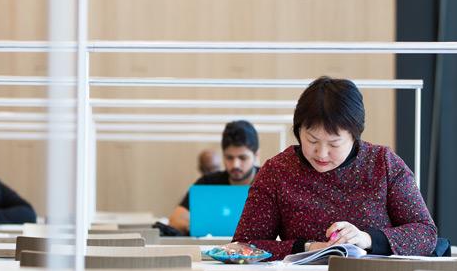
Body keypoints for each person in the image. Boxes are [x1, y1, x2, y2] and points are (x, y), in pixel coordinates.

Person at [231, 76, 437, 260]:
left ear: (355, 137)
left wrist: (366, 239)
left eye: (334, 144)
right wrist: (307, 247)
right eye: (311, 140)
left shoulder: (383, 164)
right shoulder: (278, 171)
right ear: (298, 130)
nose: (321, 153)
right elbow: (244, 245)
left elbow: (425, 234)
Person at [166, 120, 261, 235]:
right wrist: (202, 227)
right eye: (229, 157)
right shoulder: (207, 183)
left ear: (256, 156)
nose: (235, 164)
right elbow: (175, 219)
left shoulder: (268, 182)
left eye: (242, 158)